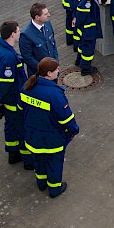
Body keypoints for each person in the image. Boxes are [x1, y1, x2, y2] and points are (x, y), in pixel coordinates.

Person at [21, 57, 79, 198]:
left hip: (32, 136)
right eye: (56, 70)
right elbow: (66, 118)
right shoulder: (54, 94)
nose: (58, 72)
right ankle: (54, 189)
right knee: (54, 164)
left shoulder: (28, 87)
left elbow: (20, 109)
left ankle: (41, 183)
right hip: (51, 140)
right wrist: (74, 131)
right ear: (48, 73)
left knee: (38, 162)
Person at [0, 21, 32, 168]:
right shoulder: (8, 57)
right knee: (22, 129)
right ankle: (28, 161)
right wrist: (1, 98)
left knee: (10, 127)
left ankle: (13, 154)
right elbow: (6, 83)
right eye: (18, 30)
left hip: (8, 100)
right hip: (14, 101)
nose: (20, 32)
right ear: (13, 34)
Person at [72, 0, 102, 75]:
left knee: (81, 43)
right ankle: (85, 68)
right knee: (88, 46)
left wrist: (75, 18)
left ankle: (79, 60)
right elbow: (83, 10)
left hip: (79, 21)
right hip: (87, 24)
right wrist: (79, 21)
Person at [19, 3, 58, 77]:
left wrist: (56, 62)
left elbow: (53, 44)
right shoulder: (26, 35)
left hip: (52, 71)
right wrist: (43, 69)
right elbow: (27, 57)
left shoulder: (47, 24)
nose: (49, 15)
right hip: (39, 74)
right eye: (45, 14)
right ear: (37, 17)